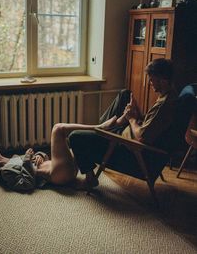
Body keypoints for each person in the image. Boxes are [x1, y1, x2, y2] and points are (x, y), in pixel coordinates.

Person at [68, 58, 178, 189]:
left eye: (152, 79)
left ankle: (90, 179)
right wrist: (137, 116)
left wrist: (131, 118)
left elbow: (142, 137)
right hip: (127, 136)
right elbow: (151, 125)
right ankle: (102, 129)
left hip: (128, 150)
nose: (149, 82)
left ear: (162, 80)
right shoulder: (169, 95)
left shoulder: (164, 105)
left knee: (75, 136)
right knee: (125, 94)